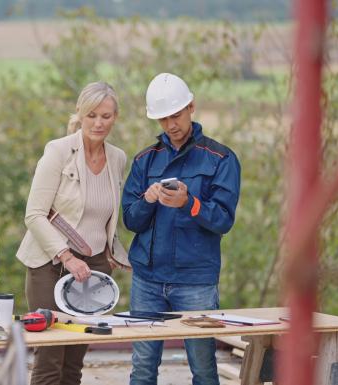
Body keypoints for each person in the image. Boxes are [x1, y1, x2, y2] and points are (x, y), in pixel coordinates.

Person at [122, 73, 241, 385]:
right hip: (147, 281)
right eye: (162, 119)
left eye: (175, 115)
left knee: (203, 369)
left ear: (191, 107)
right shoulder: (144, 161)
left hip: (196, 283)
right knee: (143, 369)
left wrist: (191, 203)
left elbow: (223, 220)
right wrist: (147, 200)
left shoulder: (221, 159)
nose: (170, 125)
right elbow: (131, 221)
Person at [16, 81, 130, 385]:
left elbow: (107, 216)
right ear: (80, 114)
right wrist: (67, 257)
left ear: (115, 117)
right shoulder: (58, 151)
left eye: (106, 116)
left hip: (93, 267)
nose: (98, 123)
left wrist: (112, 252)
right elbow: (34, 214)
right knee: (51, 356)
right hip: (49, 263)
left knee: (75, 358)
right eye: (92, 115)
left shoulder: (118, 158)